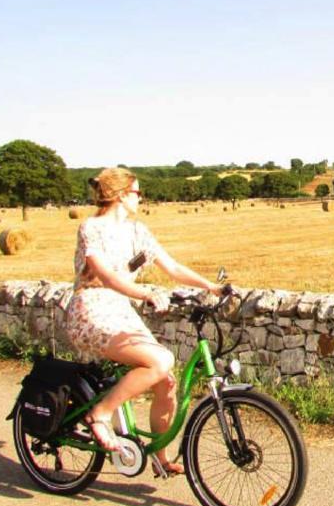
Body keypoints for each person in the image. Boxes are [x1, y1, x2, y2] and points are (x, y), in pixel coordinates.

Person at [64, 167, 223, 474]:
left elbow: (172, 267)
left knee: (167, 380)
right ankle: (100, 414)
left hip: (120, 311)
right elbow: (106, 276)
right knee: (160, 360)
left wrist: (211, 286)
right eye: (137, 192)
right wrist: (144, 293)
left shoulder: (138, 231)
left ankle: (159, 458)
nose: (141, 198)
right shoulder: (90, 228)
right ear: (122, 195)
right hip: (90, 310)